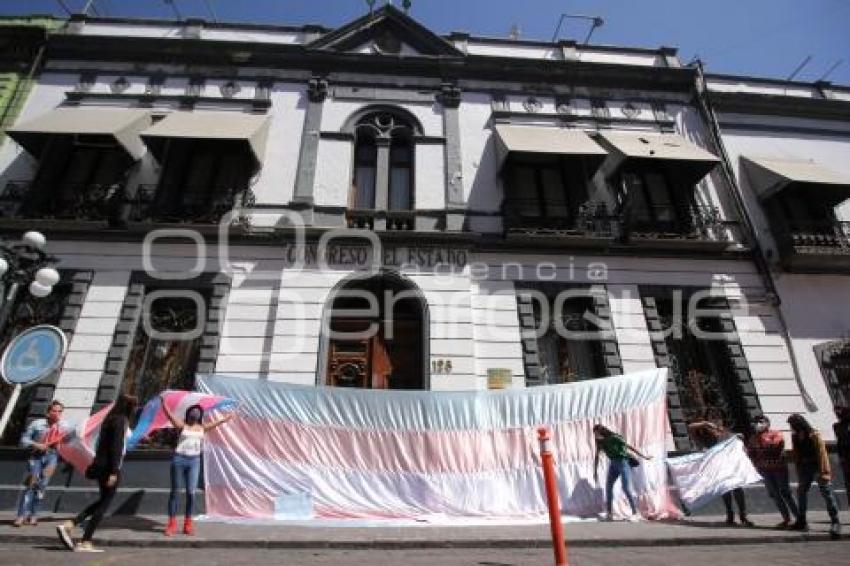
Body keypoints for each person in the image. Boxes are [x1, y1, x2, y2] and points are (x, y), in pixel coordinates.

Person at [56, 394, 138, 553]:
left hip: (101, 465)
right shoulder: (121, 420)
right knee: (104, 504)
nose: (135, 410)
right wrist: (114, 472)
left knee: (102, 501)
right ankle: (85, 540)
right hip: (109, 467)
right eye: (133, 406)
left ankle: (71, 525)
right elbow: (116, 447)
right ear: (128, 407)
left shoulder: (111, 418)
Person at [160, 396, 234, 536]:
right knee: (175, 492)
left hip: (194, 461)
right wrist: (164, 404)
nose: (196, 413)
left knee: (191, 493)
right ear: (189, 413)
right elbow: (170, 417)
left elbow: (216, 423)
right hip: (179, 460)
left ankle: (188, 523)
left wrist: (226, 418)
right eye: (194, 411)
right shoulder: (182, 425)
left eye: (198, 411)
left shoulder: (202, 428)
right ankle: (172, 523)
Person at [687, 418, 753, 527]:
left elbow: (743, 448)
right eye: (711, 425)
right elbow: (691, 427)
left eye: (716, 424)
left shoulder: (728, 435)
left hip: (733, 467)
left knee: (738, 490)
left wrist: (741, 446)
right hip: (720, 468)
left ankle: (743, 516)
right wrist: (705, 423)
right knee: (725, 491)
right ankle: (730, 516)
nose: (714, 428)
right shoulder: (706, 439)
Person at [14, 401, 68, 527]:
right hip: (36, 456)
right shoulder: (37, 424)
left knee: (42, 486)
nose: (57, 414)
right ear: (48, 412)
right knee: (31, 484)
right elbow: (24, 440)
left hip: (52, 457)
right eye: (54, 411)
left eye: (60, 411)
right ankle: (21, 515)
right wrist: (37, 444)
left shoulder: (62, 426)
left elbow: (67, 442)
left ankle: (33, 515)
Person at [787, 413, 841, 538]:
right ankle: (802, 520)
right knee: (801, 492)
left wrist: (824, 472)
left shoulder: (814, 435)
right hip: (805, 468)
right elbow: (797, 454)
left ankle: (835, 521)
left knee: (826, 492)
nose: (791, 427)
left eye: (792, 424)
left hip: (817, 466)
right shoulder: (795, 436)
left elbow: (822, 454)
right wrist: (799, 469)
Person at [746, 415, 798, 528]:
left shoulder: (776, 433)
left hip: (779, 468)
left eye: (761, 422)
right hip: (764, 470)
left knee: (786, 493)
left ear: (767, 423)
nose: (758, 424)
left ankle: (799, 518)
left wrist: (762, 442)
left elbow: (775, 446)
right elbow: (750, 453)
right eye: (755, 422)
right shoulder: (753, 438)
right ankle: (786, 519)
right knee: (774, 494)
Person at [592, 424, 651, 521]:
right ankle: (609, 513)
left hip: (623, 462)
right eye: (595, 434)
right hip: (613, 464)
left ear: (602, 431)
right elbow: (597, 456)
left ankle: (635, 513)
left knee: (626, 488)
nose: (596, 436)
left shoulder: (614, 437)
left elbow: (629, 447)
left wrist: (644, 456)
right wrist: (595, 471)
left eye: (597, 433)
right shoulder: (600, 442)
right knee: (608, 487)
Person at [833, 405, 850, 508]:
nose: (837, 414)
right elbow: (840, 441)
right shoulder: (837, 426)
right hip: (846, 459)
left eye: (839, 412)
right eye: (836, 412)